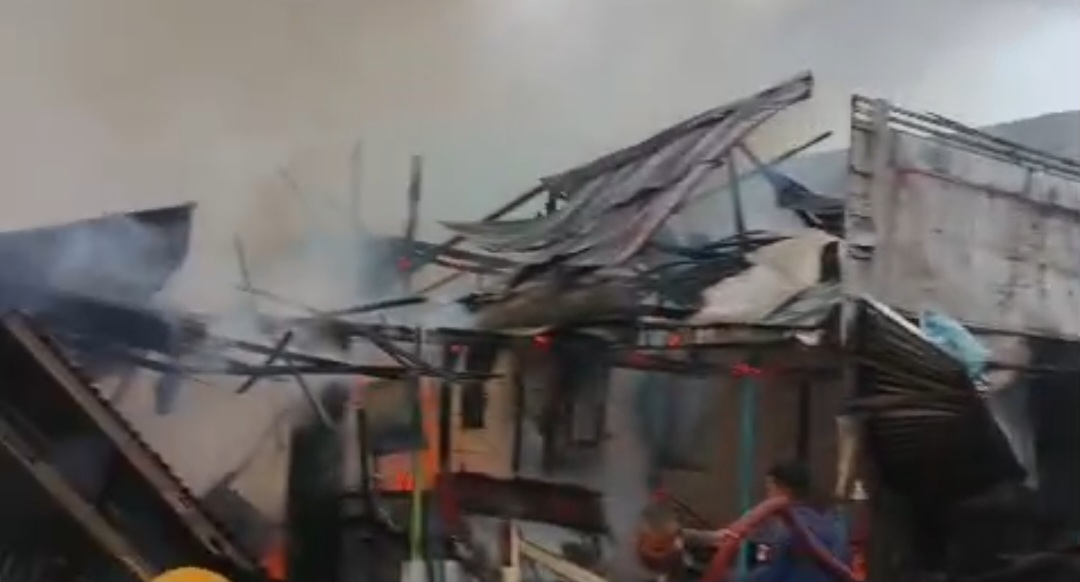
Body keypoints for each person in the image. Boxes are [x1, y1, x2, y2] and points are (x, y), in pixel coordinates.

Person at [734, 461, 849, 582]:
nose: (768, 497)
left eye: (769, 490)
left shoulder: (786, 530)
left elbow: (771, 575)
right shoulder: (835, 525)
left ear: (784, 490)